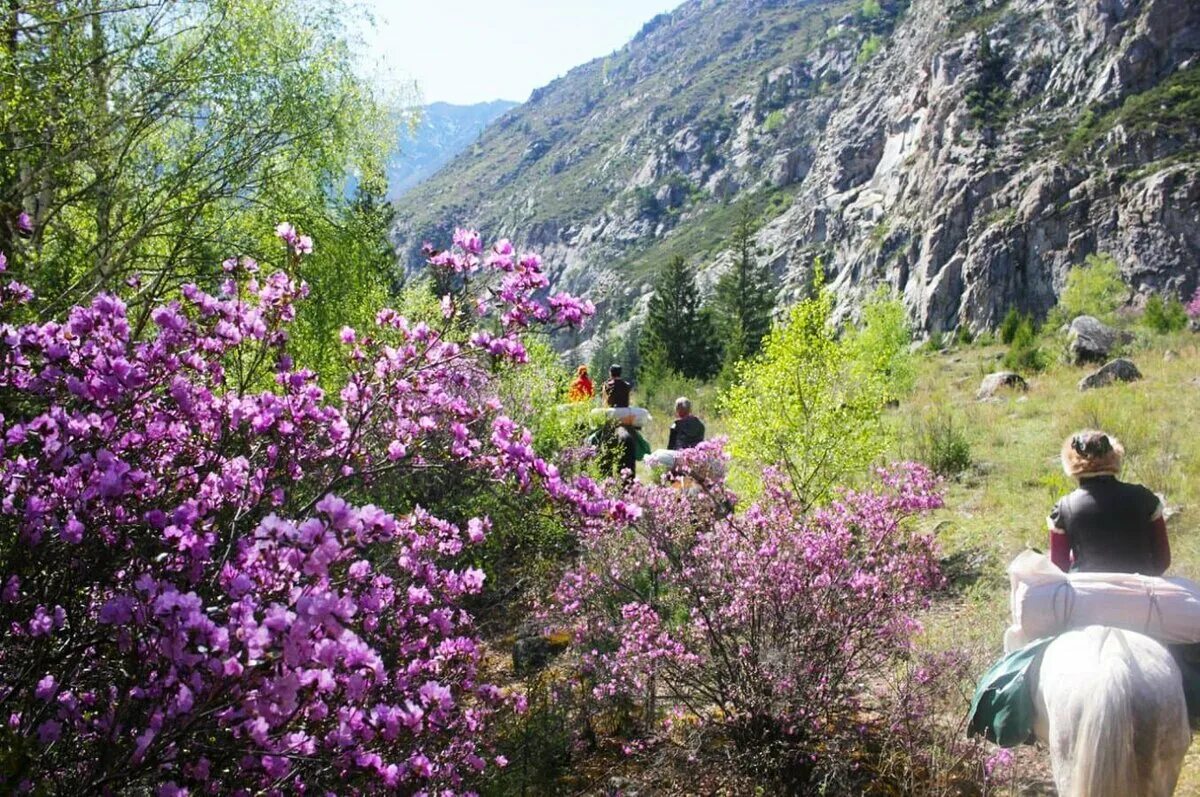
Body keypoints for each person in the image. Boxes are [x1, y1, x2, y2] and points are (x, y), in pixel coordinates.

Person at [1048, 430, 1169, 576]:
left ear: (1070, 461)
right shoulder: (1144, 498)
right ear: (1114, 456)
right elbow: (1162, 561)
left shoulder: (1064, 508)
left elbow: (1059, 568)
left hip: (1088, 595)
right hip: (1143, 591)